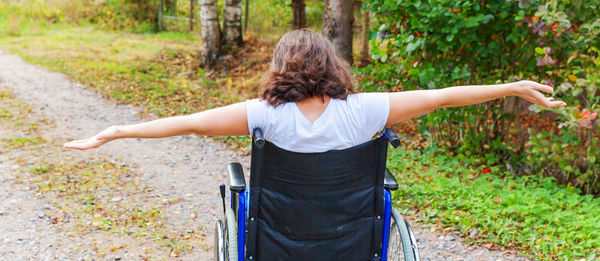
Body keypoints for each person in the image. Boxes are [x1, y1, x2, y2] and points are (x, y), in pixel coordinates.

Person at [64, 29, 565, 152]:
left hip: (280, 228)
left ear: (278, 67)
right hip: (349, 228)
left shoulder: (261, 114)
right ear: (333, 65)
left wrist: (117, 130)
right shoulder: (366, 110)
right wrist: (513, 87)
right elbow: (443, 96)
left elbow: (190, 122)